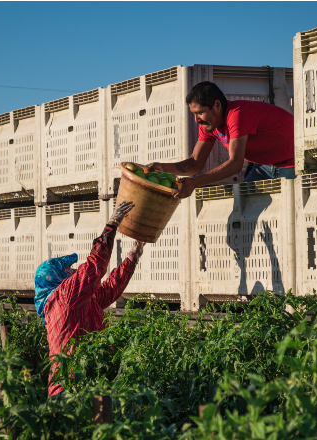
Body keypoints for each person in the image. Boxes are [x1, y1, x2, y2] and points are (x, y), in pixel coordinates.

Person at [34, 200, 144, 398]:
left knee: (98, 427)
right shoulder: (64, 296)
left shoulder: (79, 300)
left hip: (89, 383)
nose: (73, 271)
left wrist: (133, 256)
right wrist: (112, 224)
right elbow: (94, 267)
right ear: (56, 278)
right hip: (70, 392)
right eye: (67, 270)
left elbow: (109, 290)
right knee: (85, 427)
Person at [148, 81, 294, 199]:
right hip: (264, 166)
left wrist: (195, 183)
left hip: (292, 164)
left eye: (200, 113)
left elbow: (236, 163)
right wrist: (162, 167)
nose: (196, 120)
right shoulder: (208, 124)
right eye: (193, 114)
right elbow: (195, 164)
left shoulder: (238, 114)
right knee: (246, 205)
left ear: (217, 105)